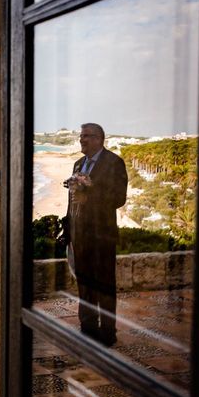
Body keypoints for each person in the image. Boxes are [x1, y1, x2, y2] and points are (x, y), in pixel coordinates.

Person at [63, 123, 127, 346]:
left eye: (87, 136)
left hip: (102, 235)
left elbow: (119, 198)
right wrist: (68, 229)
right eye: (81, 136)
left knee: (104, 285)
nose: (82, 140)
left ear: (100, 139)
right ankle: (87, 328)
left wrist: (92, 189)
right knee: (85, 283)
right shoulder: (78, 163)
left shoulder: (114, 163)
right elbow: (73, 201)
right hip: (79, 234)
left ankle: (108, 333)